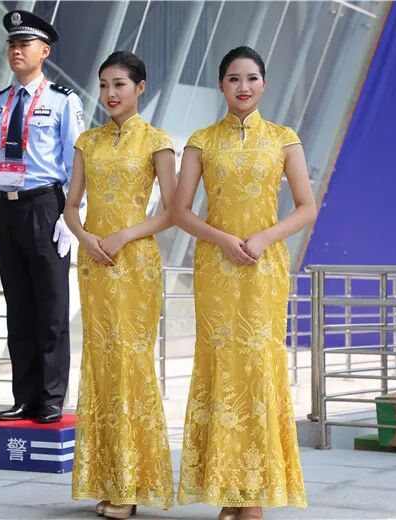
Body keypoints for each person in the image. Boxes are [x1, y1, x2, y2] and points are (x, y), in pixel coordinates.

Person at [172, 46, 316, 520]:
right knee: (221, 370)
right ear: (221, 86)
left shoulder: (283, 139)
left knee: (256, 370)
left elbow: (306, 208)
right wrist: (223, 239)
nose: (243, 86)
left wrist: (262, 238)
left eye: (252, 78)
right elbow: (180, 212)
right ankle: (227, 491)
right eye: (234, 78)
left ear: (264, 84)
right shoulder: (202, 141)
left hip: (263, 270)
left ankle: (252, 492)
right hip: (216, 269)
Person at [64, 51, 177, 519]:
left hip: (135, 265)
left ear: (140, 87)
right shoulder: (87, 142)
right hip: (94, 263)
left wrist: (124, 235)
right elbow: (70, 206)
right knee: (100, 363)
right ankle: (105, 479)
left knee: (131, 364)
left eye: (120, 85)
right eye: (104, 85)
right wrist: (86, 238)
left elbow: (172, 211)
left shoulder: (157, 141)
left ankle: (132, 484)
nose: (110, 94)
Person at [0, 10, 84, 424]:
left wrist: (72, 216)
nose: (16, 51)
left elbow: (78, 163)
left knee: (52, 308)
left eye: (24, 44)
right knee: (19, 310)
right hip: (7, 209)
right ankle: (24, 396)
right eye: (12, 44)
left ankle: (52, 397)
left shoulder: (63, 100)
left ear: (44, 52)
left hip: (46, 207)